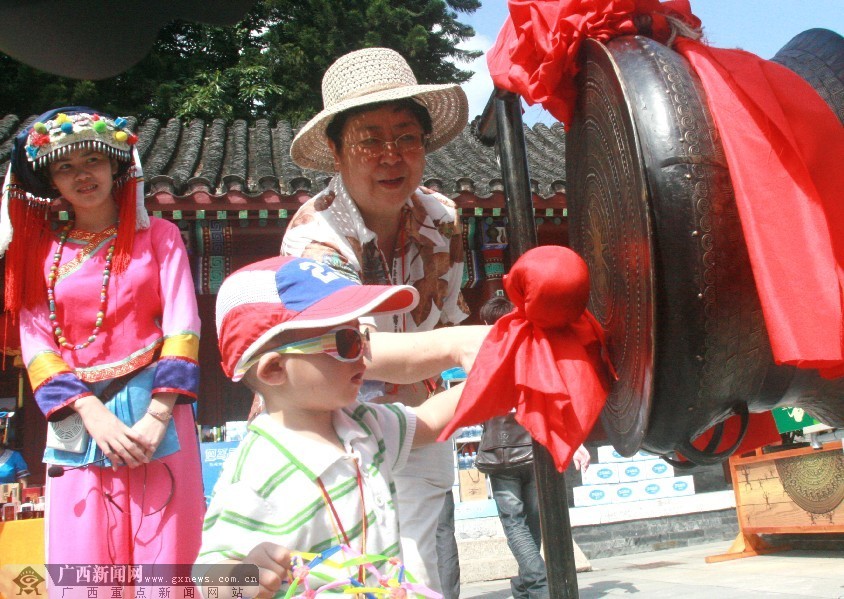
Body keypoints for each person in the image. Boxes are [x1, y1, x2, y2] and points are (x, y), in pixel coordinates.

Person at [281, 47, 470, 596]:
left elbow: (447, 314)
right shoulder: (313, 235)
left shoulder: (443, 219)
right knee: (347, 578)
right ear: (337, 152)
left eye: (406, 136)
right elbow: (345, 348)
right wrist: (463, 346)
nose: (391, 155)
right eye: (369, 139)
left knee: (426, 575)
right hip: (331, 427)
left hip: (421, 421)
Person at [197, 255, 487, 598]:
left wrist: (496, 368)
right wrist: (245, 578)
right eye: (346, 343)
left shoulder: (363, 423)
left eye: (363, 338)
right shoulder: (257, 466)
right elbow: (208, 576)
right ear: (274, 369)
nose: (364, 355)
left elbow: (431, 419)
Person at [0, 108, 204, 573]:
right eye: (65, 166)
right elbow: (35, 343)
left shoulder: (160, 237)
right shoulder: (41, 254)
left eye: (92, 159)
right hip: (76, 415)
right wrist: (91, 414)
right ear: (52, 179)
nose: (81, 174)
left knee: (164, 549)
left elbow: (183, 325)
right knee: (82, 550)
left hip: (158, 415)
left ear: (116, 165)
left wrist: (157, 415)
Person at [479, 296, 591, 599]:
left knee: (516, 524)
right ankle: (524, 586)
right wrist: (572, 440)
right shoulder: (533, 354)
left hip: (500, 454)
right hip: (534, 452)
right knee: (530, 522)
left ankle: (539, 585)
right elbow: (555, 401)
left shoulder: (485, 355)